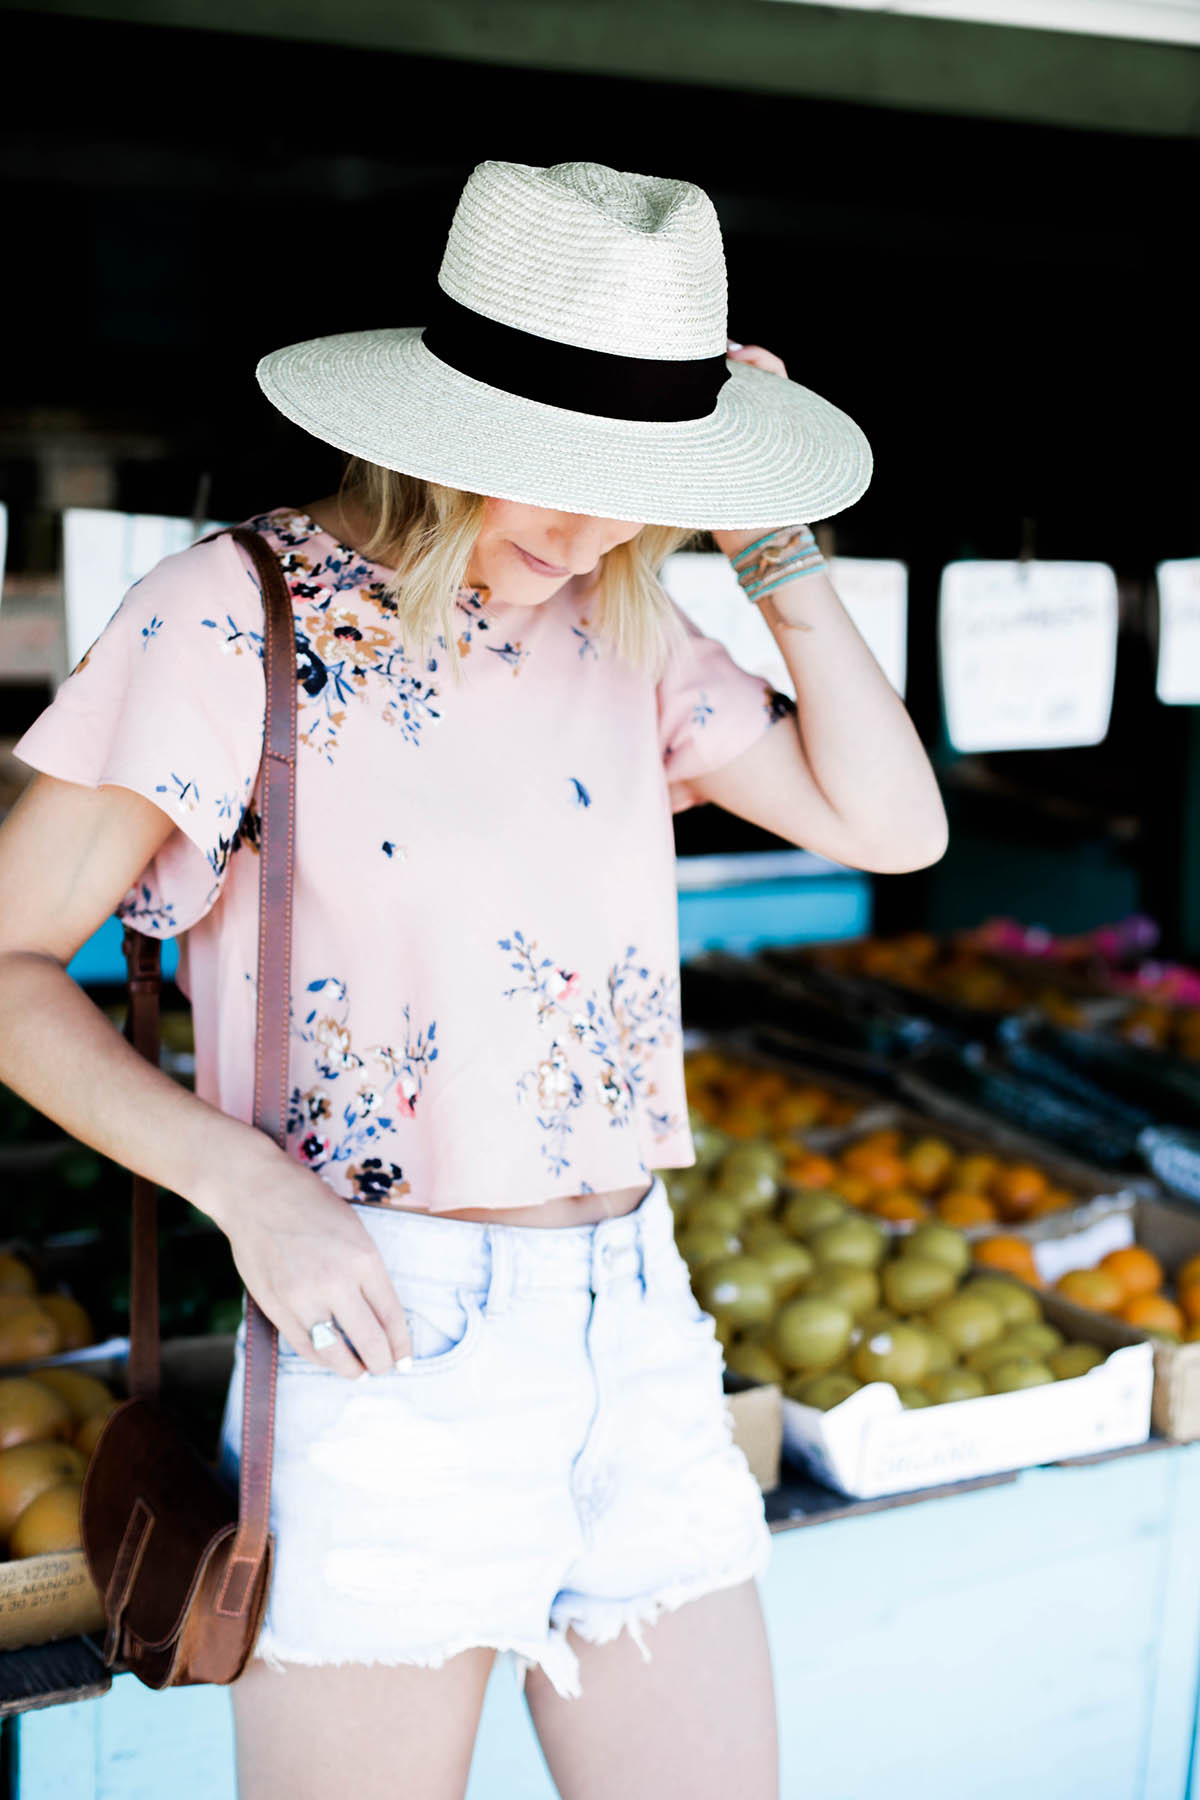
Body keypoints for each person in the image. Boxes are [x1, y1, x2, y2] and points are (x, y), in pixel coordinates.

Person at [0, 159, 947, 1799]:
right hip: (384, 1325)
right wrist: (245, 1188)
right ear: (432, 431)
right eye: (546, 477)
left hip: (636, 1321)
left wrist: (773, 542)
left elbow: (894, 822)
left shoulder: (630, 623)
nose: (586, 534)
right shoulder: (230, 622)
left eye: (632, 482)